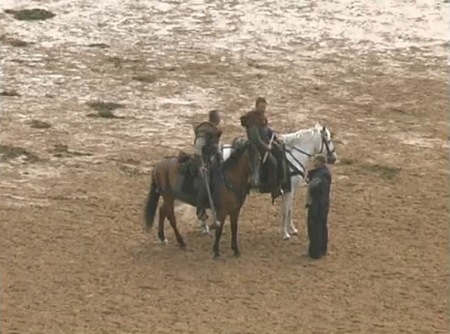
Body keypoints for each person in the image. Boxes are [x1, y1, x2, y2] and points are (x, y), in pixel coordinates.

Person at [239, 97, 288, 202]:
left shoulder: (261, 117)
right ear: (256, 106)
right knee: (273, 163)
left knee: (279, 152)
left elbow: (265, 130)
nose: (263, 109)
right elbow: (255, 138)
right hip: (256, 147)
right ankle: (273, 188)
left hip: (264, 145)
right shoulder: (252, 119)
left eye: (264, 107)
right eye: (261, 107)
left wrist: (273, 136)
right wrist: (266, 147)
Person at [193, 110, 223, 221]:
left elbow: (217, 146)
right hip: (202, 161)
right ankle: (200, 210)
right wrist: (201, 166)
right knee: (204, 183)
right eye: (219, 117)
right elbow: (197, 149)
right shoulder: (204, 131)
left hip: (213, 160)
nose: (220, 119)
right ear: (215, 118)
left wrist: (221, 159)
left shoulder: (215, 131)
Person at [305, 154, 332, 259]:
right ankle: (321, 250)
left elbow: (315, 187)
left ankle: (315, 253)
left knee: (315, 229)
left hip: (317, 205)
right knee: (321, 227)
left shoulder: (322, 175)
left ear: (320, 162)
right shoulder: (323, 173)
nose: (313, 162)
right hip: (321, 205)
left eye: (315, 160)